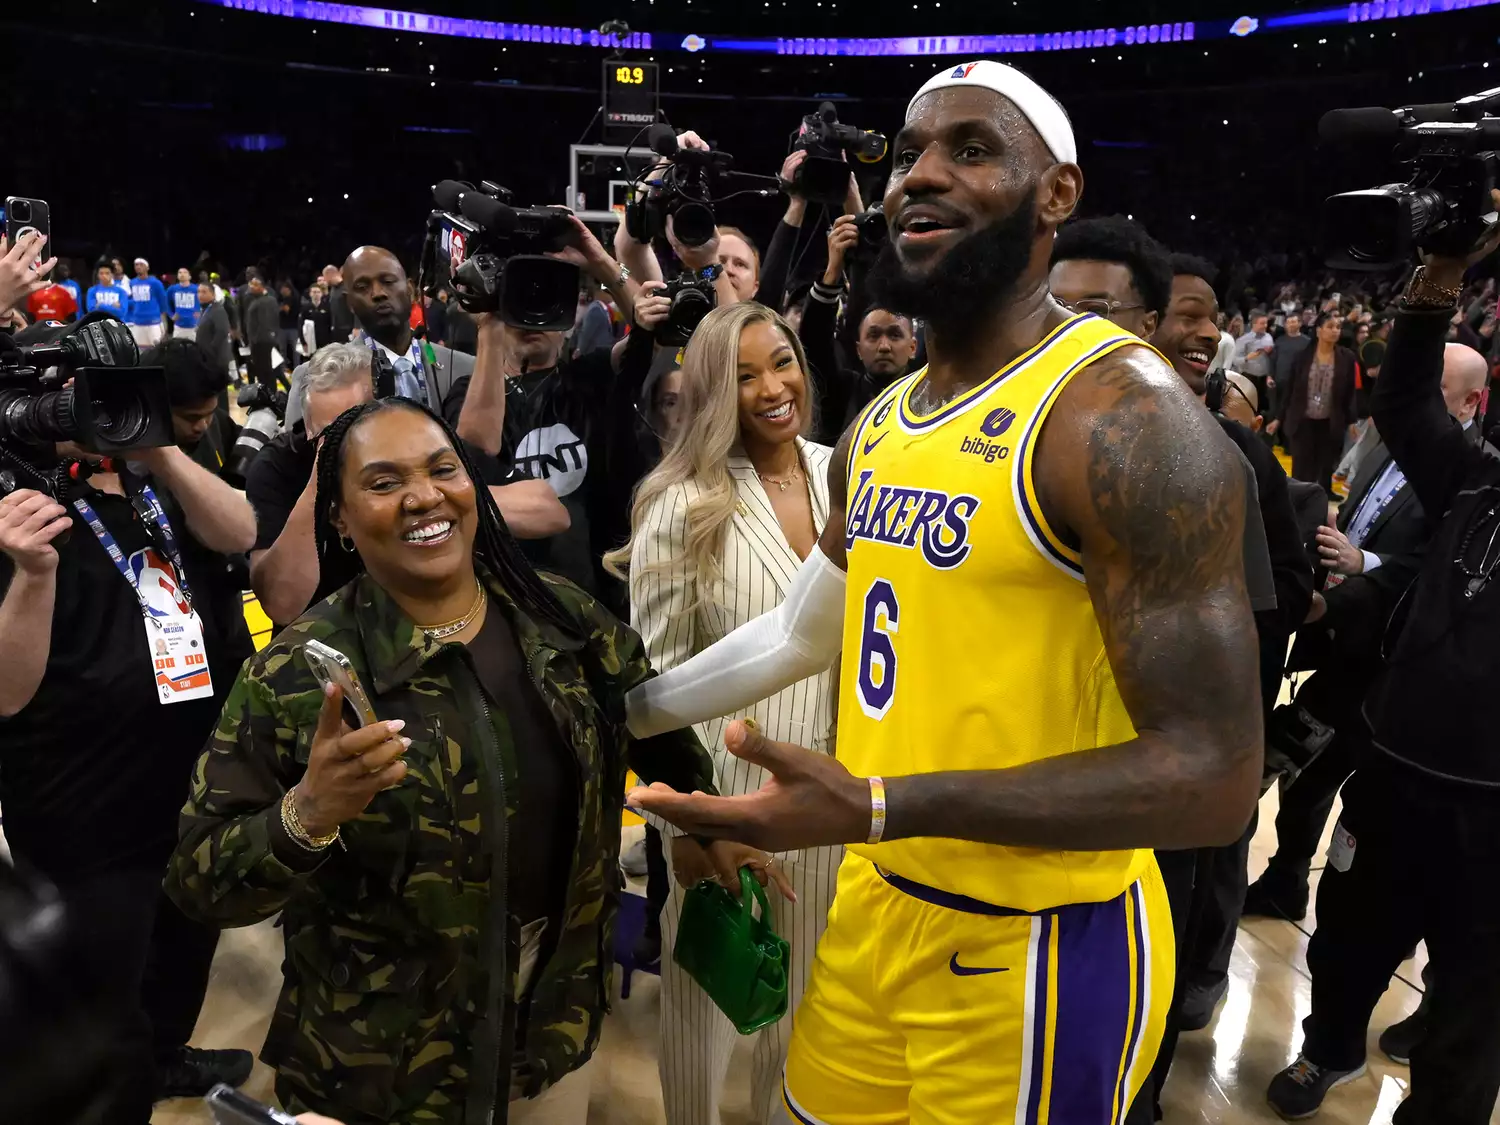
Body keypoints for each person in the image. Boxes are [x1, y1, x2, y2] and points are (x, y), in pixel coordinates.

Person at [624, 60, 1261, 1125]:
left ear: (1056, 192)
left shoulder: (1121, 419)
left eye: (970, 149)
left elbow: (1213, 779)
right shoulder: (880, 424)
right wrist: (621, 713)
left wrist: (880, 805)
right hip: (877, 908)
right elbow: (798, 632)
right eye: (911, 151)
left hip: (1043, 940)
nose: (920, 175)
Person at [165, 397, 729, 1125]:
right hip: (388, 1068)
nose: (424, 495)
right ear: (337, 515)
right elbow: (198, 879)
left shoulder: (560, 618)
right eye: (383, 481)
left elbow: (656, 724)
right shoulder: (297, 675)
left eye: (442, 469)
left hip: (549, 1034)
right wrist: (306, 815)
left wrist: (712, 822)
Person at [1054, 224, 1310, 1116]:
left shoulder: (1223, 459)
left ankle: (1146, 1093)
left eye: (1092, 311)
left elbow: (1263, 618)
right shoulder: (1023, 440)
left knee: (1149, 966)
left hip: (1159, 775)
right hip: (1050, 771)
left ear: (1145, 323)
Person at [1264, 197, 1500, 1125]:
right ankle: (1327, 1050)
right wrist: (1441, 271)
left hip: (1495, 815)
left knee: (1472, 1008)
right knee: (1350, 941)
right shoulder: (1476, 475)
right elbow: (1402, 399)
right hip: (1396, 772)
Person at [605, 302, 841, 1125]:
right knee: (703, 1008)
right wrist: (695, 828)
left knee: (805, 1010)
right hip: (722, 798)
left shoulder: (844, 473)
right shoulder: (680, 501)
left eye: (783, 362)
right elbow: (655, 686)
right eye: (744, 376)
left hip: (832, 796)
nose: (774, 388)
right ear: (709, 392)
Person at [0, 375, 258, 1122]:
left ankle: (166, 1055)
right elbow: (6, 695)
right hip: (82, 806)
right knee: (104, 1003)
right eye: (81, 400)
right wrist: (31, 573)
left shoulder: (156, 478)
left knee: (182, 953)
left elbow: (241, 530)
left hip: (191, 785)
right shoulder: (19, 506)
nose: (99, 414)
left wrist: (163, 452)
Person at [1246, 343, 1485, 930]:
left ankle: (1342, 913)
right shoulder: (1392, 442)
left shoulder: (1477, 471)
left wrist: (1365, 560)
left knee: (1327, 782)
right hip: (1347, 640)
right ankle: (1287, 881)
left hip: (1396, 667)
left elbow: (1442, 570)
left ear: (1471, 402)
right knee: (1301, 775)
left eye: (1434, 390)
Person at [247, 342, 566, 630]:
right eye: (332, 435)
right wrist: (322, 475)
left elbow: (551, 513)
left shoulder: (424, 442)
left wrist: (451, 498)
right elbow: (281, 604)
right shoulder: (278, 467)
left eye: (357, 427)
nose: (349, 449)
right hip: (330, 640)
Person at [450, 216, 643, 608]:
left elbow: (650, 329)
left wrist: (599, 260)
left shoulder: (593, 375)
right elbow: (476, 453)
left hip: (600, 600)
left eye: (544, 298)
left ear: (569, 317)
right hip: (507, 600)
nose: (528, 316)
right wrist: (490, 321)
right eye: (518, 300)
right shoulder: (466, 394)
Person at [286, 247, 471, 428]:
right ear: (349, 301)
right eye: (362, 287)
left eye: (388, 281)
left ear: (409, 289)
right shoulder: (313, 380)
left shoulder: (466, 368)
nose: (378, 293)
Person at [801, 213, 919, 442]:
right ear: (858, 349)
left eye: (895, 335)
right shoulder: (841, 394)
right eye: (873, 336)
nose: (884, 346)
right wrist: (832, 271)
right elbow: (814, 342)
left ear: (913, 347)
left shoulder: (933, 392)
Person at [1269, 311, 1357, 496]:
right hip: (1303, 419)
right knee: (1302, 463)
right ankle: (1298, 495)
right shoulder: (1302, 356)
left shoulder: (1346, 357)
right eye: (1330, 327)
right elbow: (1290, 390)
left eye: (1338, 327)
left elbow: (1349, 392)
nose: (1335, 331)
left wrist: (1351, 421)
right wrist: (1278, 418)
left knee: (1326, 461)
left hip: (1330, 419)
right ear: (1318, 330)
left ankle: (1324, 492)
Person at [241, 273, 280, 392]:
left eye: (255, 285)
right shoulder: (256, 300)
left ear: (262, 287)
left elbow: (266, 323)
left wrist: (255, 341)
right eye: (251, 284)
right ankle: (266, 393)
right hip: (258, 340)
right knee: (262, 370)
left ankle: (270, 394)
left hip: (262, 341)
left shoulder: (267, 301)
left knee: (265, 369)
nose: (251, 287)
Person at [126, 257, 169, 348]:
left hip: (153, 322)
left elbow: (163, 300)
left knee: (155, 349)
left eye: (141, 265)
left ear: (147, 268)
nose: (138, 267)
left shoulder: (155, 283)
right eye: (136, 265)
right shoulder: (132, 282)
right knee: (139, 349)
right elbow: (132, 300)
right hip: (137, 322)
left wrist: (162, 318)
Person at [195, 281, 233, 377]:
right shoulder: (205, 309)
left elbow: (222, 331)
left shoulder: (218, 310)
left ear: (213, 294)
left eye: (204, 292)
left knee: (218, 389)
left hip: (216, 359)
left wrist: (210, 348)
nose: (200, 295)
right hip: (207, 359)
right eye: (199, 292)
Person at [1234, 310, 1275, 398]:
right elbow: (1235, 360)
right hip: (1249, 377)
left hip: (1264, 378)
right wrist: (1247, 358)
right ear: (1254, 324)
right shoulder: (1243, 340)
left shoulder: (1269, 337)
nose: (1265, 326)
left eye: (1266, 323)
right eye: (1262, 323)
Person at [167, 267, 200, 340]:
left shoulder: (197, 289)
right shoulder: (172, 289)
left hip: (193, 326)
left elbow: (205, 304)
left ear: (190, 276)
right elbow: (166, 304)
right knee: (177, 349)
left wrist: (200, 317)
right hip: (179, 326)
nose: (182, 274)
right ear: (177, 276)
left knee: (193, 349)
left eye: (185, 272)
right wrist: (171, 315)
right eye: (180, 272)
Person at [276, 279, 302, 371]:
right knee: (282, 350)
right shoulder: (281, 298)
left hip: (293, 327)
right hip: (282, 327)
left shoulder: (295, 298)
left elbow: (286, 309)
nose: (281, 291)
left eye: (283, 289)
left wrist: (281, 308)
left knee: (296, 350)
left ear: (288, 289)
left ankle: (297, 368)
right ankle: (283, 369)